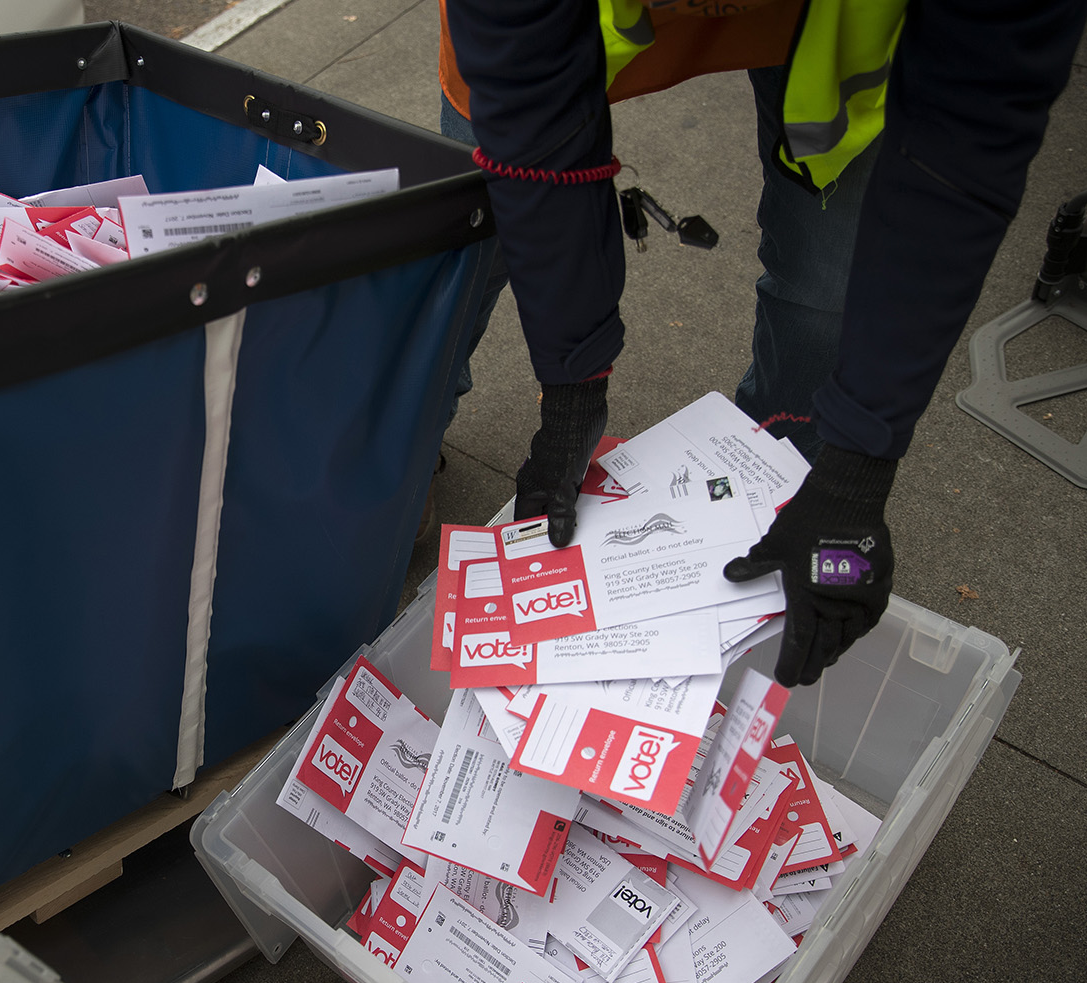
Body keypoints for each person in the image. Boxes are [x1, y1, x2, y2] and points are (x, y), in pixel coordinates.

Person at [443, 0, 1085, 686]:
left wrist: (854, 471)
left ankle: (764, 486)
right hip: (563, 23)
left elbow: (967, 132)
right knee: (465, 216)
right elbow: (530, 120)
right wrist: (571, 386)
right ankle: (397, 457)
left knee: (826, 282)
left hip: (831, 23)